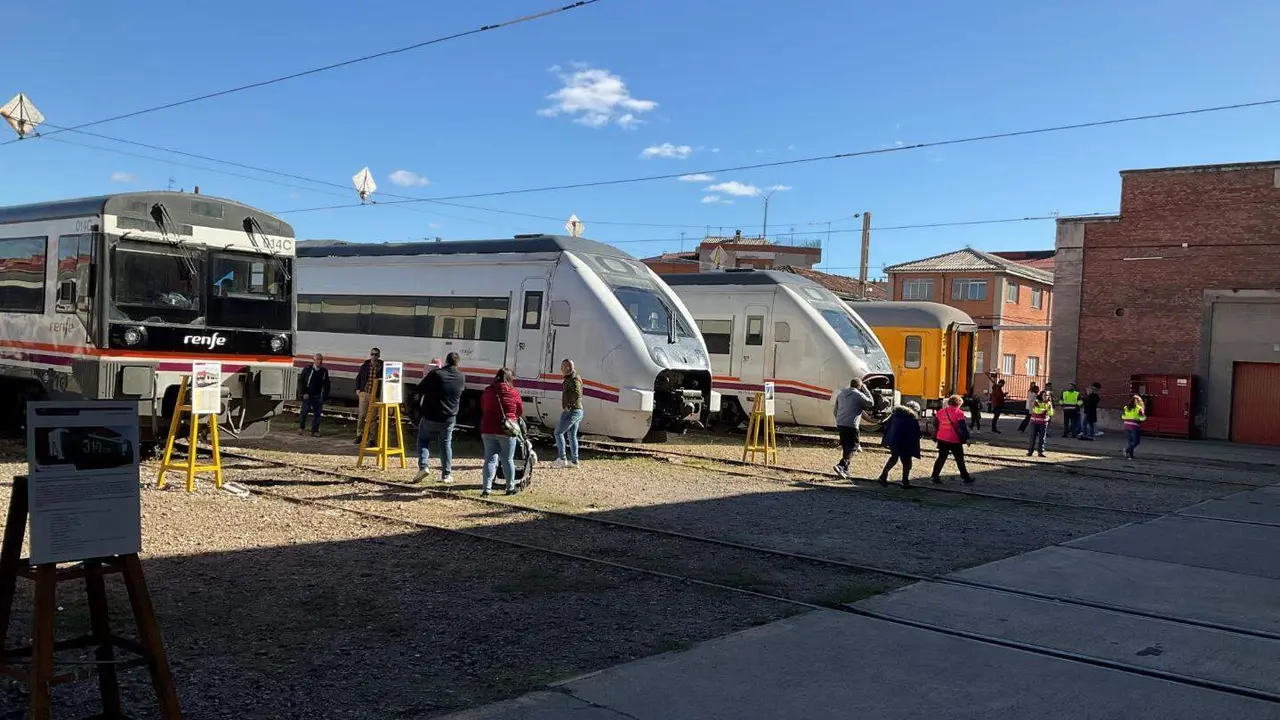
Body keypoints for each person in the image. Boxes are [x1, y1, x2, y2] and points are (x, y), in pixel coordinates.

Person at [412, 353, 466, 484]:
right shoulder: (461, 376)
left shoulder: (436, 374)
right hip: (449, 418)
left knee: (423, 440)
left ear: (446, 361)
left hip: (431, 415)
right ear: (457, 363)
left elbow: (419, 389)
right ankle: (446, 475)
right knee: (446, 444)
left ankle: (424, 467)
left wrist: (419, 407)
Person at [480, 368, 524, 496]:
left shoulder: (488, 391)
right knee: (507, 460)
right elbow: (519, 410)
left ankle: (486, 489)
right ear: (510, 379)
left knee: (489, 460)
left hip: (488, 428)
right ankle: (510, 488)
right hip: (507, 430)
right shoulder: (514, 392)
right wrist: (512, 418)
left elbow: (483, 406)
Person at [832, 377, 874, 479]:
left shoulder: (841, 394)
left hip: (840, 424)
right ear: (859, 386)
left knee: (846, 447)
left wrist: (840, 420)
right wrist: (865, 389)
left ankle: (845, 470)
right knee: (854, 446)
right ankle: (841, 465)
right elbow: (871, 403)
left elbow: (835, 411)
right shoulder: (858, 394)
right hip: (852, 425)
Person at [931, 394, 974, 484]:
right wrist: (967, 438)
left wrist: (936, 434)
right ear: (959, 404)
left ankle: (935, 476)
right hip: (954, 439)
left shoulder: (941, 411)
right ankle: (965, 477)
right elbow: (962, 427)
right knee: (959, 459)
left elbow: (935, 424)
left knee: (941, 458)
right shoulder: (959, 413)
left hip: (942, 438)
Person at [878, 401, 922, 488]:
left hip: (894, 442)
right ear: (914, 410)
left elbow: (888, 428)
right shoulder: (911, 418)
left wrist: (885, 441)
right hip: (905, 443)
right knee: (907, 463)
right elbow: (915, 433)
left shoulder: (895, 415)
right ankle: (905, 482)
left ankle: (883, 476)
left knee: (893, 458)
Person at [552, 359, 584, 469]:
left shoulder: (573, 379)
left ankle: (562, 459)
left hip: (572, 411)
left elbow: (577, 394)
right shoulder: (572, 378)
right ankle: (575, 461)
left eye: (562, 367)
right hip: (577, 410)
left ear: (568, 367)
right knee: (571, 435)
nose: (561, 369)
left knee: (558, 433)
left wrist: (568, 406)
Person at [354, 347, 383, 444]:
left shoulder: (382, 367)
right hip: (364, 393)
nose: (374, 356)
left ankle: (371, 439)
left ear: (379, 356)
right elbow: (358, 377)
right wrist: (358, 389)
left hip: (375, 395)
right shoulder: (365, 366)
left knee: (373, 418)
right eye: (372, 354)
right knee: (362, 415)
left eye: (376, 354)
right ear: (370, 355)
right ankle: (359, 435)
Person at [298, 353, 330, 437]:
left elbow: (327, 384)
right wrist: (303, 392)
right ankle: (301, 428)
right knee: (304, 412)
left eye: (320, 360)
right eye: (317, 359)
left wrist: (325, 396)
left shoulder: (324, 371)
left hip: (318, 396)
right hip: (308, 395)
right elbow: (301, 381)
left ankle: (314, 431)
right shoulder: (308, 369)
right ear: (314, 360)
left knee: (317, 414)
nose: (319, 361)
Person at [1027, 390, 1054, 457]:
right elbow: (1036, 410)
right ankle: (1030, 452)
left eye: (1047, 395)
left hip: (1043, 423)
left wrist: (1044, 411)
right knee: (1032, 437)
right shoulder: (1036, 401)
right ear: (1041, 395)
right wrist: (1045, 410)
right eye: (1044, 395)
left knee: (1042, 438)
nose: (1046, 397)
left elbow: (1051, 413)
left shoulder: (1049, 403)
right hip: (1035, 422)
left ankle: (1040, 452)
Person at [1122, 395, 1147, 460]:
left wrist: (1128, 418)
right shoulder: (1139, 408)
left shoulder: (1126, 407)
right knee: (1136, 442)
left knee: (1130, 441)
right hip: (1134, 426)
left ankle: (1131, 456)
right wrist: (1140, 418)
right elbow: (1142, 418)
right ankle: (1127, 450)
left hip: (1126, 426)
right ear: (1140, 401)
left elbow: (1123, 416)